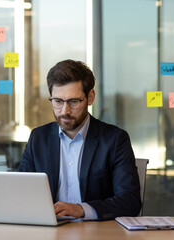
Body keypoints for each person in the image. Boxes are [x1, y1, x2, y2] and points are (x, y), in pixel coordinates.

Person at [18, 60, 141, 221]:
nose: (65, 111)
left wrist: (81, 209)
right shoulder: (38, 138)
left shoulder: (115, 140)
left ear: (90, 97)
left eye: (74, 101)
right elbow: (20, 192)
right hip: (49, 231)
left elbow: (130, 201)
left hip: (97, 233)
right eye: (57, 101)